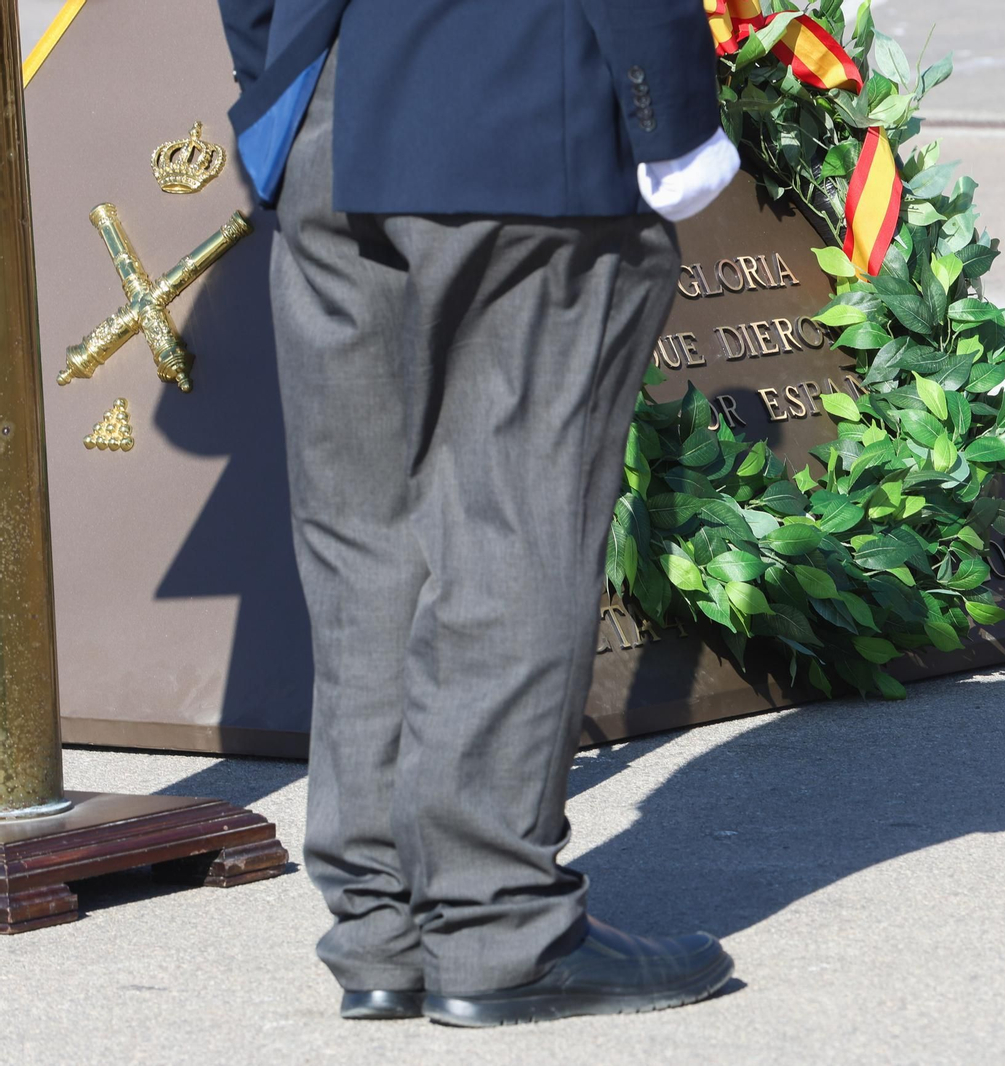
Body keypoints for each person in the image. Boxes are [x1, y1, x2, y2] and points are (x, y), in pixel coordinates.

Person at [217, 0, 741, 1028]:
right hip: (518, 115)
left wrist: (267, 90)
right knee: (515, 513)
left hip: (329, 104)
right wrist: (671, 117)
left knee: (361, 533)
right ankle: (494, 923)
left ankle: (384, 922)